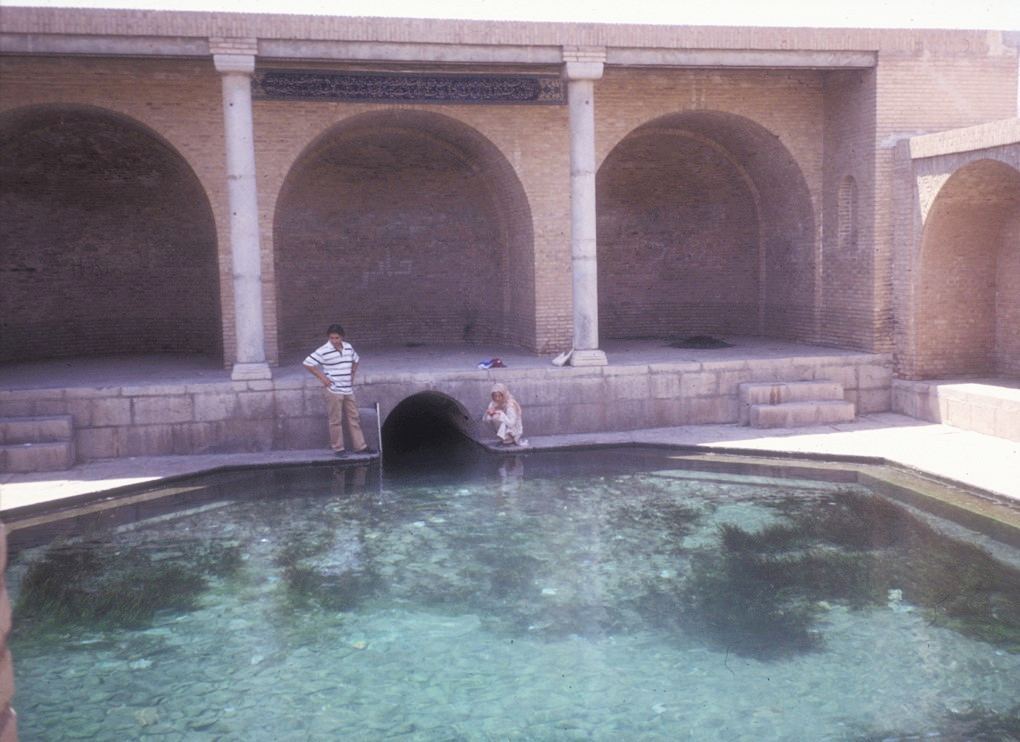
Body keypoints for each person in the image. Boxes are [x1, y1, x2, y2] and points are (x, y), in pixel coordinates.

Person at [304, 324, 372, 457]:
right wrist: (323, 379)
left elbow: (356, 360)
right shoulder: (323, 350)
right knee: (335, 420)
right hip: (333, 390)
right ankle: (338, 448)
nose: (334, 341)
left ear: (342, 337)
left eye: (337, 338)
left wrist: (352, 374)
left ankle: (360, 447)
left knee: (354, 417)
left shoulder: (348, 347)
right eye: (332, 338)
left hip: (348, 389)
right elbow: (307, 363)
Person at [484, 382, 528, 447]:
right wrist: (489, 413)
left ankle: (509, 439)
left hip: (513, 430)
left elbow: (511, 423)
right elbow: (486, 420)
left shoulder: (510, 404)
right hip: (505, 425)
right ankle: (503, 438)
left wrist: (500, 413)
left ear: (503, 395)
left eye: (499, 396)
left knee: (496, 417)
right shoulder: (493, 403)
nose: (497, 398)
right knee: (490, 417)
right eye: (495, 396)